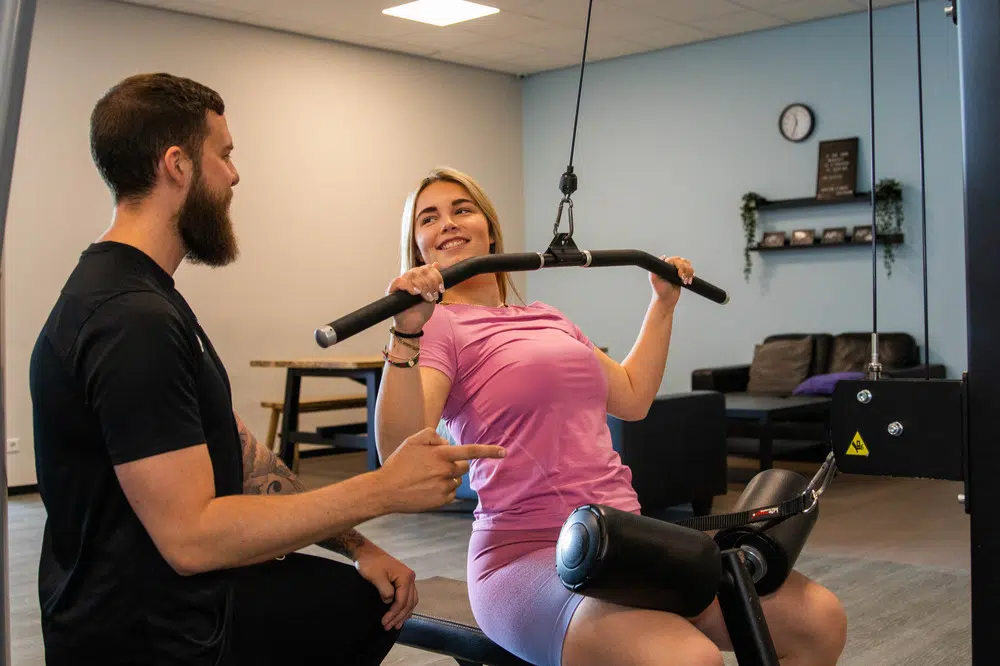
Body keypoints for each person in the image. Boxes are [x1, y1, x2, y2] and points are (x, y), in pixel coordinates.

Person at [28, 74, 506, 666]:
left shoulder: (143, 296)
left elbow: (239, 450)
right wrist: (382, 489)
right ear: (177, 165)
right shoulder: (130, 319)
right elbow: (192, 538)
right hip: (145, 635)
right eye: (224, 155)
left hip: (167, 602)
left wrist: (357, 545)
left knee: (364, 595)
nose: (234, 176)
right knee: (356, 610)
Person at [374, 166, 849, 666]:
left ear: (490, 229)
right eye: (429, 218)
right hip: (526, 554)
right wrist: (404, 332)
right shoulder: (438, 327)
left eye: (461, 209)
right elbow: (399, 450)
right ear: (419, 248)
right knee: (687, 659)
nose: (448, 222)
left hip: (626, 540)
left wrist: (663, 304)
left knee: (819, 620)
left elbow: (632, 396)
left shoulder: (547, 317)